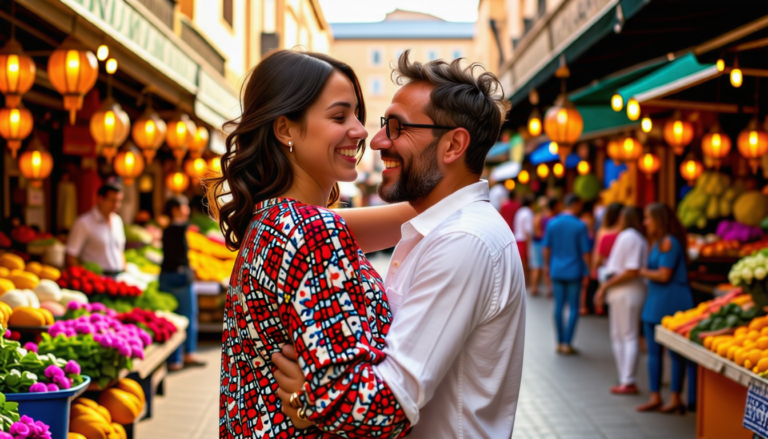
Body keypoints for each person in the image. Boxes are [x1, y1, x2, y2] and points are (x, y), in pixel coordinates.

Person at [209, 49, 525, 438]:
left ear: (452, 146)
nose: (367, 136)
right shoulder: (309, 230)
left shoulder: (272, 222)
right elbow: (372, 411)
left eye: (394, 126)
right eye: (340, 116)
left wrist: (311, 400)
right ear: (285, 129)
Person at [637, 203, 696, 413]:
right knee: (654, 353)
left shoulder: (668, 242)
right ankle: (657, 396)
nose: (645, 222)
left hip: (671, 303)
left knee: (674, 353)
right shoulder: (660, 242)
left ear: (658, 220)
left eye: (648, 218)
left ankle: (674, 397)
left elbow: (664, 274)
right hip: (657, 302)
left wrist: (640, 272)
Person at [594, 207, 648, 394]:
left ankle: (628, 379)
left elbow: (631, 270)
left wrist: (606, 285)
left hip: (625, 290)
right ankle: (625, 377)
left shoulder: (629, 236)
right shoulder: (636, 237)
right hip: (626, 290)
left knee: (626, 334)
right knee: (622, 335)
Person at [159, 196, 204, 371]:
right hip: (181, 278)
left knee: (172, 318)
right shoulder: (179, 228)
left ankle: (175, 360)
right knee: (188, 316)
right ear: (176, 210)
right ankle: (188, 354)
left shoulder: (166, 229)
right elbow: (185, 226)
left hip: (166, 276)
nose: (187, 211)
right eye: (185, 207)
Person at [543, 194, 591, 355]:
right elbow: (585, 252)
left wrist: (547, 267)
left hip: (556, 269)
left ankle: (559, 341)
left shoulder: (552, 223)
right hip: (574, 270)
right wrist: (588, 270)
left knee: (558, 306)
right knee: (573, 307)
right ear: (576, 205)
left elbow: (546, 249)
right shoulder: (580, 225)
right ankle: (568, 342)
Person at [65, 184, 126, 276]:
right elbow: (71, 256)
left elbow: (120, 250)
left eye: (119, 201)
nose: (116, 205)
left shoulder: (117, 220)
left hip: (118, 276)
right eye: (113, 201)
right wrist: (83, 279)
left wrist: (124, 268)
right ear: (100, 199)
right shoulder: (83, 223)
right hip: (97, 278)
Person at [591, 202, 624, 313]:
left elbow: (598, 256)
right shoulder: (625, 233)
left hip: (606, 271)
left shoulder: (603, 232)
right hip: (623, 272)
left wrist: (594, 269)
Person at [531, 197, 556, 297]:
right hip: (544, 243)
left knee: (537, 265)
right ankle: (549, 289)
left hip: (537, 242)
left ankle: (534, 287)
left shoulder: (537, 216)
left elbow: (535, 231)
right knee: (546, 265)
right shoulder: (550, 217)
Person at [513, 195, 534, 285]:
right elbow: (527, 230)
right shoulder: (528, 212)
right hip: (524, 240)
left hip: (517, 239)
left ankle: (523, 282)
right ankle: (526, 282)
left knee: (521, 263)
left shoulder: (519, 211)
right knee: (526, 262)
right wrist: (530, 244)